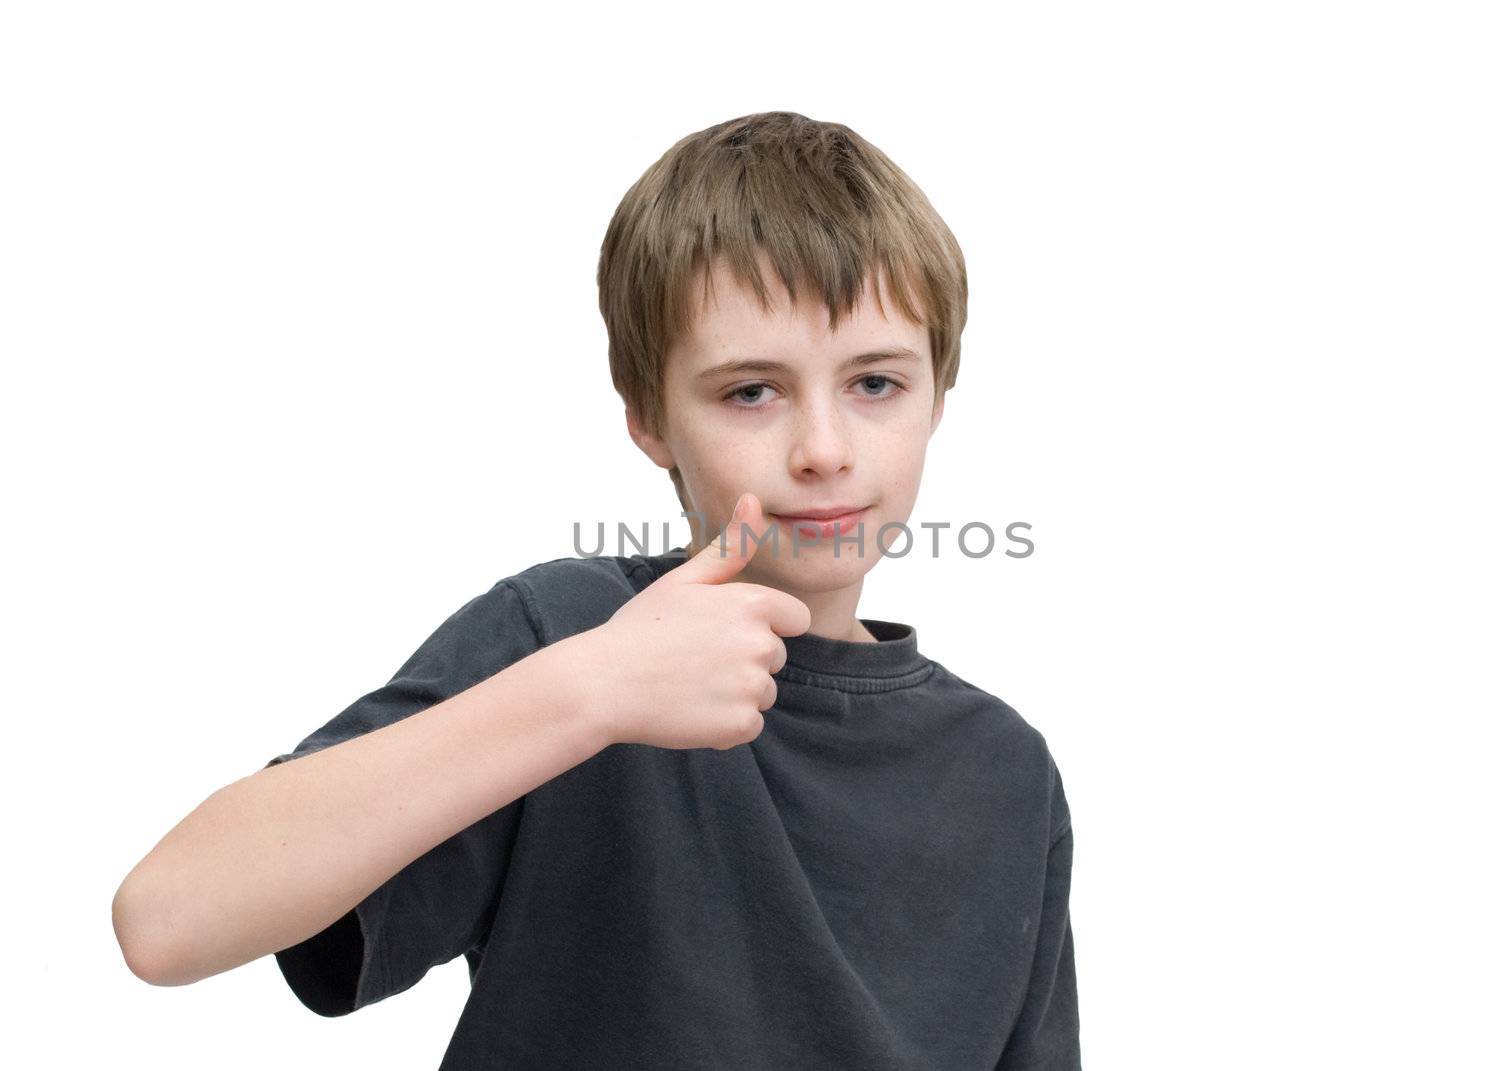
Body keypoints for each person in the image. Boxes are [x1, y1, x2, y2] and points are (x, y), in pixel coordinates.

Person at [112, 110, 1081, 1069]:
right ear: (648, 416)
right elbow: (166, 918)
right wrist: (590, 693)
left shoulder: (1005, 775)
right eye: (751, 391)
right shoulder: (571, 640)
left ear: (939, 396)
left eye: (875, 384)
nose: (823, 451)